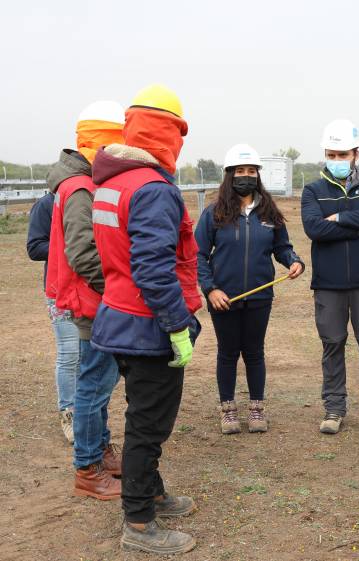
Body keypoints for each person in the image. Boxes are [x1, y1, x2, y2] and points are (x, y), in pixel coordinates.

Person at [90, 84, 200, 555]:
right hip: (148, 324)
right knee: (148, 425)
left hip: (118, 317)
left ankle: (151, 492)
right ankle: (138, 522)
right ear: (168, 134)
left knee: (143, 414)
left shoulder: (111, 182)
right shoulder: (153, 189)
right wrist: (176, 325)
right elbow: (153, 267)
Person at [46, 100, 126, 500]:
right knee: (94, 385)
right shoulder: (79, 188)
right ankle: (88, 468)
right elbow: (82, 253)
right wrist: (116, 287)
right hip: (93, 302)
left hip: (94, 298)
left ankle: (101, 452)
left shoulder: (81, 182)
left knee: (100, 381)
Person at [195, 143, 304, 435]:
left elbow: (282, 247)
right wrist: (210, 289)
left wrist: (293, 262)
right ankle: (228, 409)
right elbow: (198, 255)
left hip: (260, 297)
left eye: (251, 171)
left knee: (255, 352)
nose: (246, 175)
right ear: (230, 175)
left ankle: (257, 407)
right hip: (224, 299)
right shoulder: (213, 213)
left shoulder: (269, 212)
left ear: (258, 175)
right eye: (240, 171)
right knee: (227, 353)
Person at [301, 119, 359, 435]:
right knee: (332, 345)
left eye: (342, 154)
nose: (337, 160)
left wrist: (339, 218)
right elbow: (314, 228)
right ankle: (334, 409)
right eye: (331, 154)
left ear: (355, 153)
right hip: (329, 283)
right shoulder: (313, 190)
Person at [27, 189, 78, 445]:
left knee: (90, 354)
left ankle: (86, 410)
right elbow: (34, 248)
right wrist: (70, 245)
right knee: (69, 354)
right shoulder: (46, 204)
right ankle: (68, 412)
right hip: (59, 289)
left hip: (90, 288)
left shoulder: (89, 197)